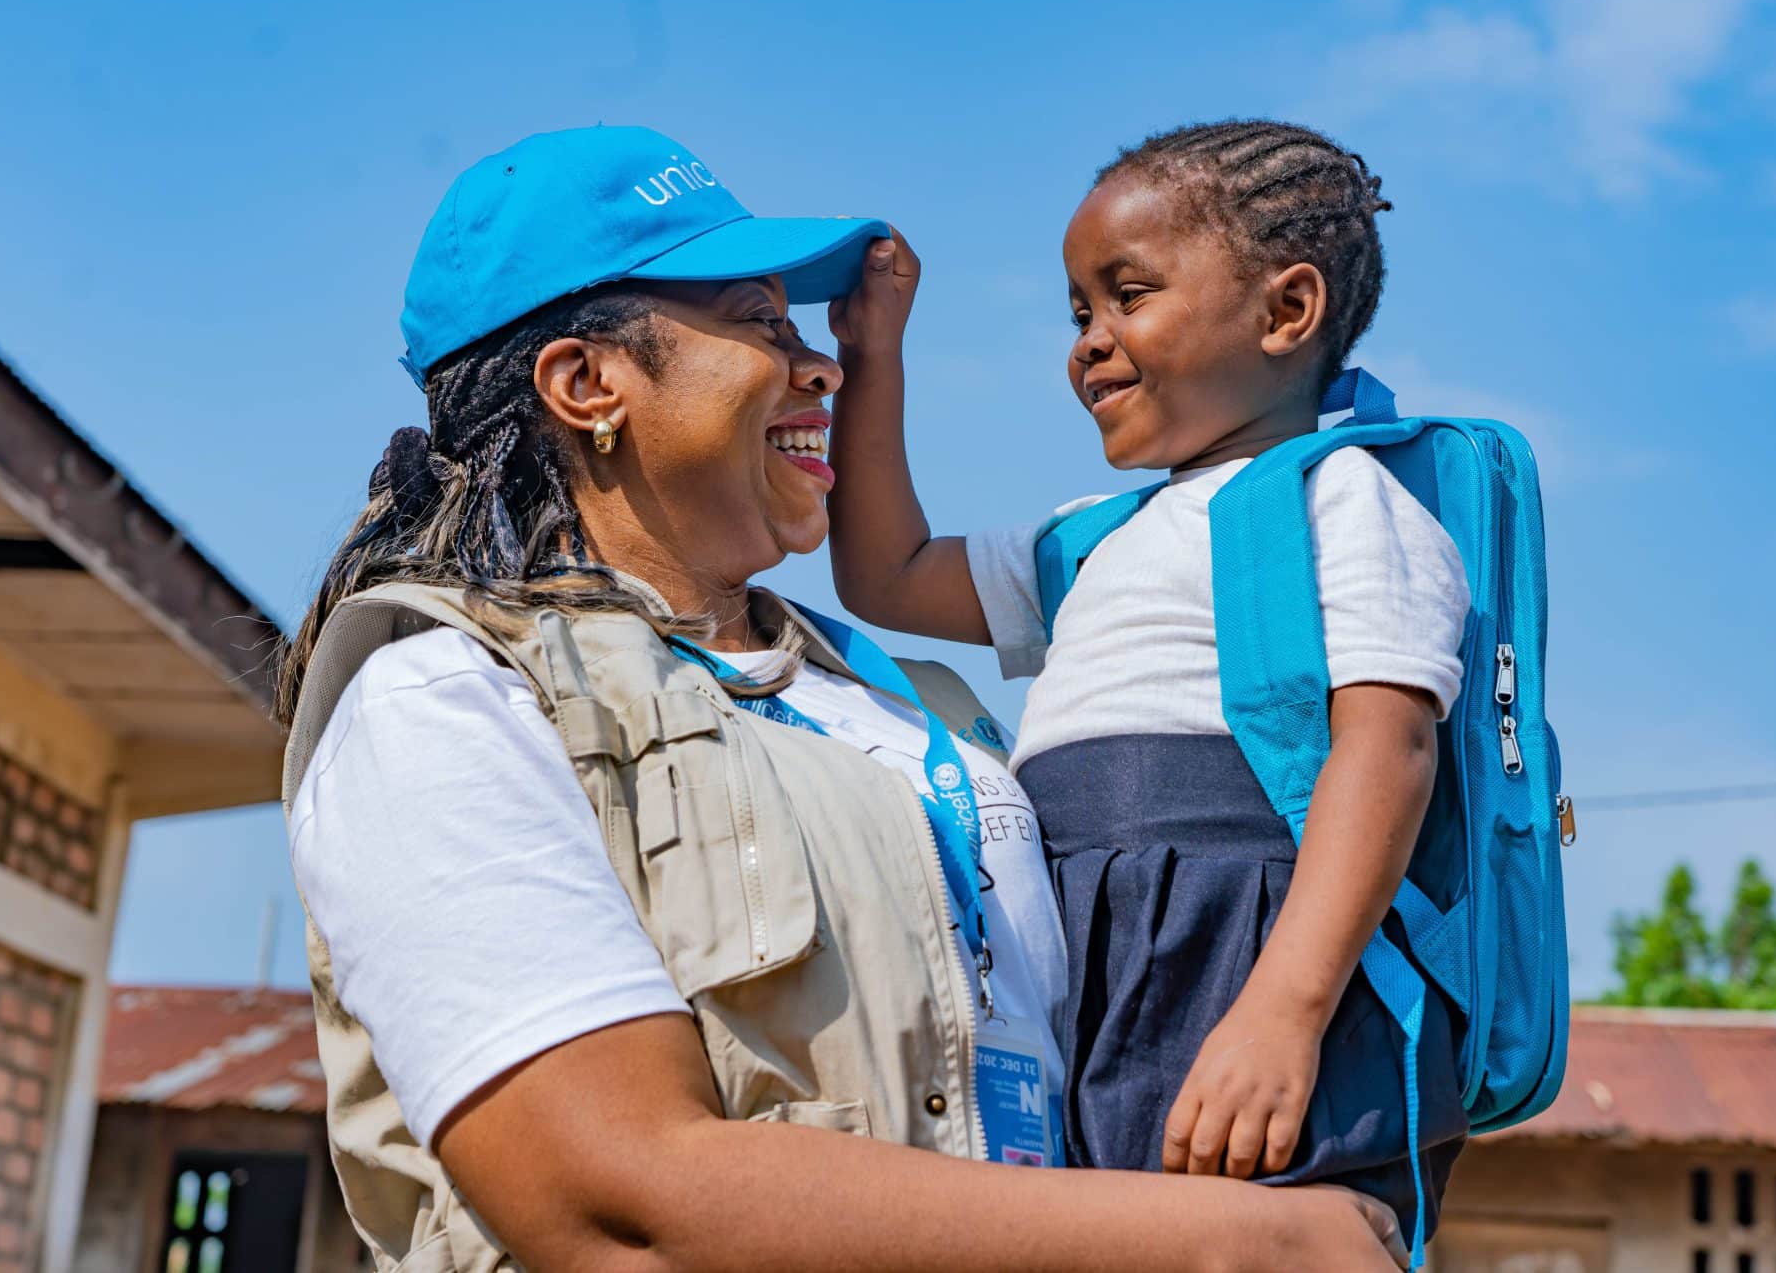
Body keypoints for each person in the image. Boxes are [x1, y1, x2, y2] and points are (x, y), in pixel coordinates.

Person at [275, 123, 1408, 1272]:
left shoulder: (916, 708)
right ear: (586, 383)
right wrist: (1246, 1239)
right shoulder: (441, 693)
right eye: (761, 323)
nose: (821, 363)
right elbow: (615, 1209)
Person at [828, 119, 1473, 1240]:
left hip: (1241, 959)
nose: (1088, 341)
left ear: (1286, 311)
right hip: (1083, 965)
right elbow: (884, 573)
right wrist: (874, 359)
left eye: (1127, 294)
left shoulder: (1344, 499)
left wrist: (1283, 1009)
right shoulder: (1089, 538)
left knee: (1259, 1240)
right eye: (1078, 311)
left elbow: (1386, 751)